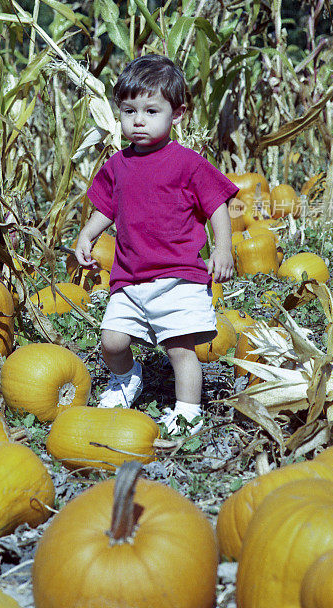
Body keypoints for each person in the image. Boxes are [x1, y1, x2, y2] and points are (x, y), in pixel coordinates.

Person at [74, 54, 238, 435]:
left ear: (177, 115)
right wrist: (88, 233)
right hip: (130, 277)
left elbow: (217, 205)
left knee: (180, 349)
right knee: (112, 341)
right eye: (129, 111)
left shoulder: (188, 164)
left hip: (179, 275)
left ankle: (187, 410)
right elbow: (108, 207)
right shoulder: (118, 164)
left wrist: (223, 248)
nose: (138, 120)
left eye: (151, 110)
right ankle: (128, 377)